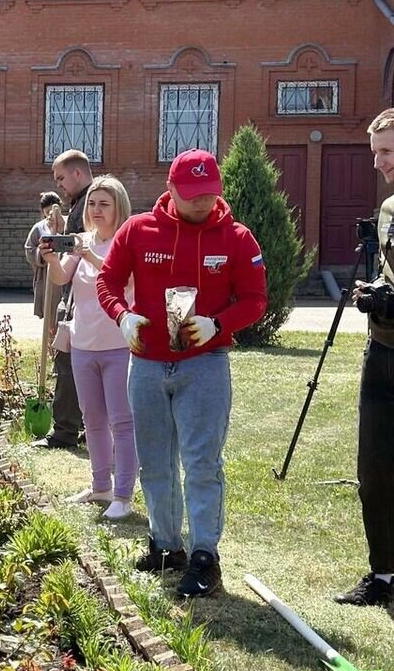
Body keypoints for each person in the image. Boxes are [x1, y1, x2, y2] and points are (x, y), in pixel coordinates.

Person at [97, 149, 266, 597]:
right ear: (170, 190)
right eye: (192, 195)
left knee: (201, 462)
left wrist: (219, 324)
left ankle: (205, 555)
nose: (201, 204)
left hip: (204, 366)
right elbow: (108, 281)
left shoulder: (236, 237)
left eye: (209, 194)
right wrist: (122, 316)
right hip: (148, 363)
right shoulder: (138, 230)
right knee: (154, 459)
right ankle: (166, 544)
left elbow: (255, 299)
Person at [41, 176, 136, 521]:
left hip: (118, 346)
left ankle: (124, 495)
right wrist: (52, 258)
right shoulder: (81, 240)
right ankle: (100, 486)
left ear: (118, 208)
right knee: (92, 420)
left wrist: (91, 256)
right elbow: (61, 278)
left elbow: (124, 280)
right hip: (82, 343)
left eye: (104, 204)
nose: (96, 210)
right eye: (93, 204)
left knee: (122, 423)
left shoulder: (127, 242)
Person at [335, 109, 394, 606]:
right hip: (382, 351)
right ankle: (382, 576)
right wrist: (377, 290)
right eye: (376, 153)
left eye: (388, 152)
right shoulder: (389, 208)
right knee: (373, 466)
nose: (378, 163)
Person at [34, 149, 93, 450]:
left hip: (81, 299)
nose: (58, 184)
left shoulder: (90, 204)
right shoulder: (84, 204)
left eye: (60, 177)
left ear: (77, 173)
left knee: (68, 363)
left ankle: (65, 431)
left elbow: (82, 250)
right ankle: (81, 426)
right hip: (81, 297)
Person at [25, 192, 65, 319]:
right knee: (49, 311)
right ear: (43, 211)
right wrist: (42, 255)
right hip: (46, 274)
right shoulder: (38, 228)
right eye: (47, 212)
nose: (50, 215)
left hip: (65, 271)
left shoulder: (67, 223)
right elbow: (29, 249)